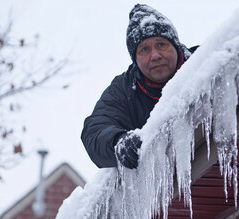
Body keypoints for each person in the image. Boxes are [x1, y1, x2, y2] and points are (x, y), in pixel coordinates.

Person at [81, 4, 196, 169]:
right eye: (145, 49)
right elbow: (95, 131)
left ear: (175, 46)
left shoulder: (203, 63)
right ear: (135, 59)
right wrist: (117, 141)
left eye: (161, 45)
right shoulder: (123, 90)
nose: (155, 55)